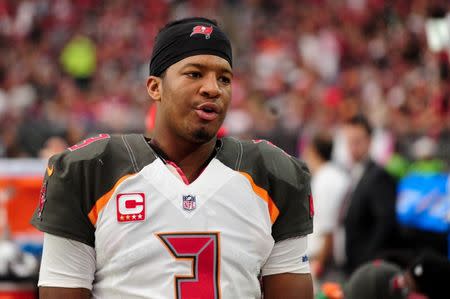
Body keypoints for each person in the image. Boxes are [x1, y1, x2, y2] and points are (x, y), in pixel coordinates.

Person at [31, 17, 314, 299]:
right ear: (155, 87)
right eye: (194, 74)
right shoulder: (90, 171)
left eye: (224, 79)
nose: (213, 88)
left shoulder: (274, 175)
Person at [339, 114, 398, 273]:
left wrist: (366, 263)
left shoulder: (379, 176)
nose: (352, 147)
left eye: (357, 141)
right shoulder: (354, 172)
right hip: (352, 264)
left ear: (370, 141)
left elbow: (385, 225)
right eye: (349, 141)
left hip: (366, 267)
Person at [303, 133, 349, 280]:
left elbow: (328, 228)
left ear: (313, 151)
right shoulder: (337, 175)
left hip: (324, 259)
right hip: (333, 255)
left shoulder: (325, 180)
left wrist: (319, 263)